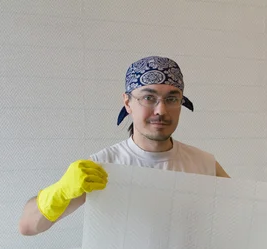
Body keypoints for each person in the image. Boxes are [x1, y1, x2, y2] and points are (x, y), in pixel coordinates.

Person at [18, 56, 230, 236]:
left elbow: (247, 217)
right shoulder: (104, 167)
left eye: (172, 99)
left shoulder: (204, 164)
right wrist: (60, 191)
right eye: (149, 98)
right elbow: (28, 227)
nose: (161, 110)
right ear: (127, 103)